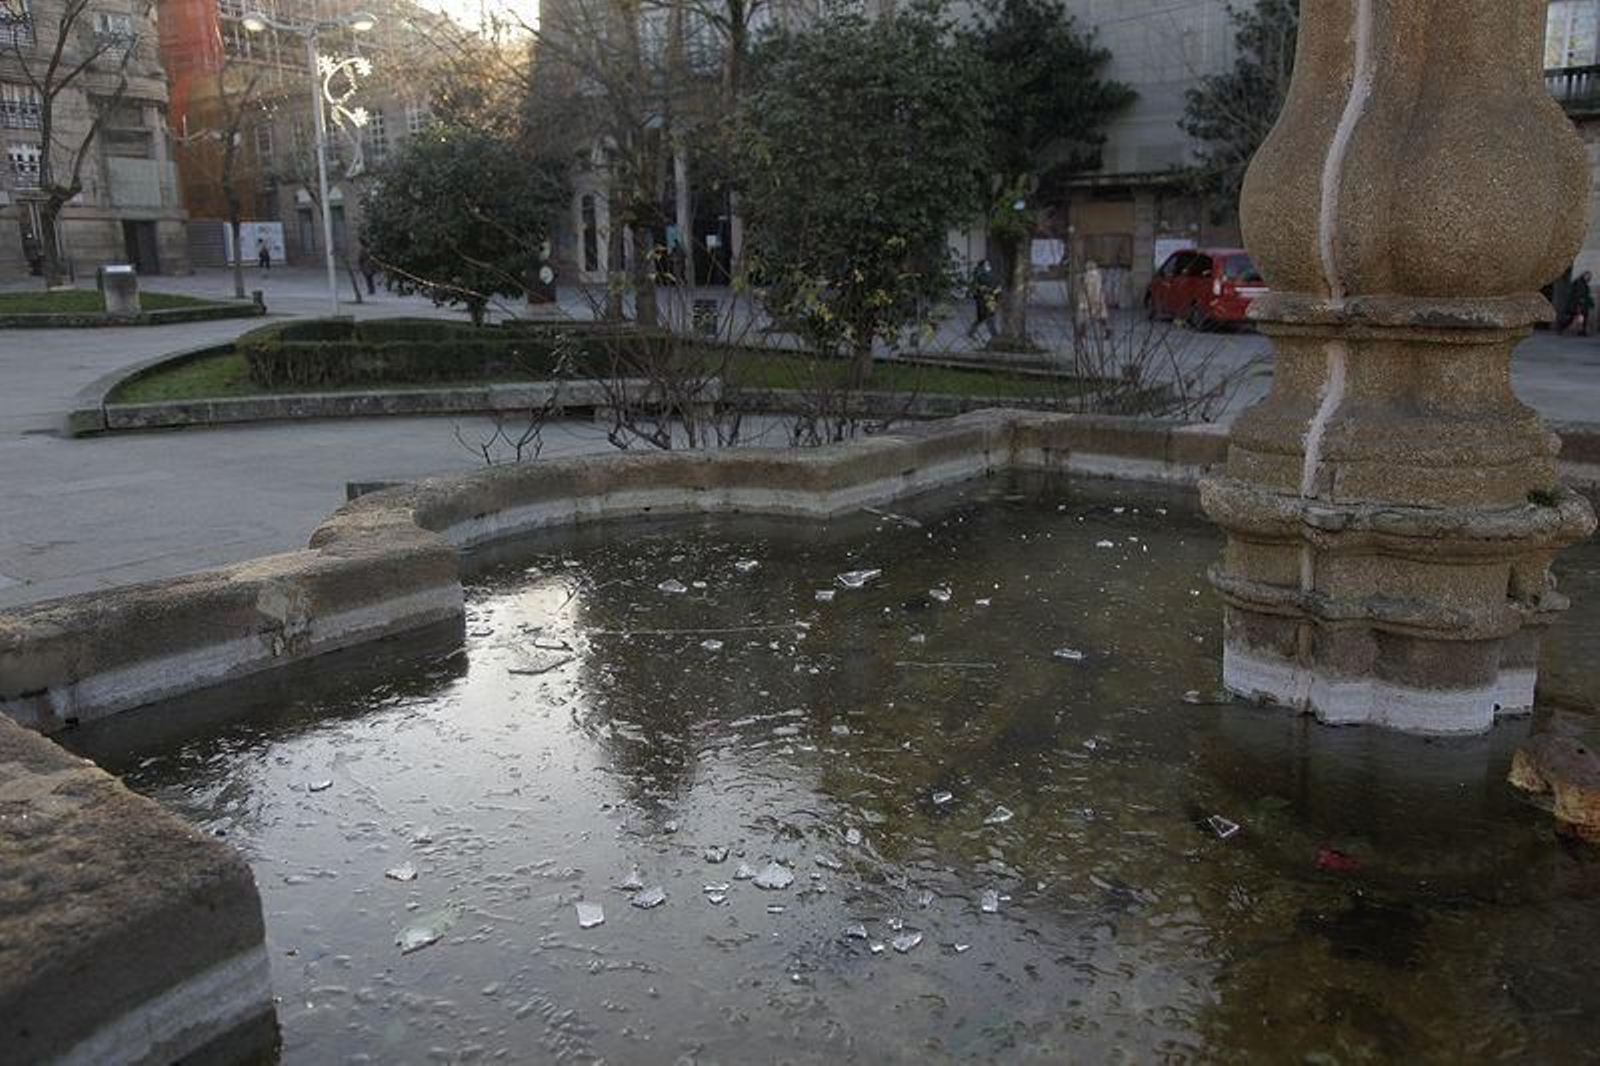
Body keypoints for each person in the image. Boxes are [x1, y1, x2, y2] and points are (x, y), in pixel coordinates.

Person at [1076, 259, 1111, 341]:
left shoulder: (1092, 276)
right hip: (1093, 300)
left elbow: (1091, 289)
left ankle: (1082, 333)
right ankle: (1107, 330)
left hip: (1090, 300)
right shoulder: (1095, 276)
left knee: (1086, 317)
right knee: (1100, 317)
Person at [968, 259, 999, 343]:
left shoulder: (988, 273)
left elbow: (995, 285)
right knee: (988, 317)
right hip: (984, 298)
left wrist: (996, 292)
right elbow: (978, 286)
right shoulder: (980, 274)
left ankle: (971, 332)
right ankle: (995, 336)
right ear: (982, 265)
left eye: (988, 264)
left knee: (984, 317)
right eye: (986, 264)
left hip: (989, 298)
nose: (988, 266)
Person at [1565, 270, 1593, 336]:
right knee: (1577, 317)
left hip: (1581, 304)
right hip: (1579, 304)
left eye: (1590, 276)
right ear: (1584, 275)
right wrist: (1581, 301)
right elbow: (1580, 293)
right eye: (1588, 276)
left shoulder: (1583, 283)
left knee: (1581, 317)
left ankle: (1582, 331)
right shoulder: (1580, 283)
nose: (1589, 278)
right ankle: (1580, 330)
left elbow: (1585, 294)